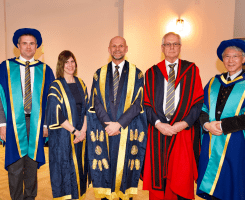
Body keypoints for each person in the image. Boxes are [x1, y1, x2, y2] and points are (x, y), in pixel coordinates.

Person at [0, 28, 55, 200]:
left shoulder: (45, 70)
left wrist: (46, 124)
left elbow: (51, 100)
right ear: (18, 46)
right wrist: (2, 125)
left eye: (31, 43)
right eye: (24, 43)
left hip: (37, 123)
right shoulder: (5, 67)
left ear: (37, 47)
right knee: (15, 166)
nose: (28, 47)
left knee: (32, 165)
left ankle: (30, 197)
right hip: (12, 123)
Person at [142, 32, 204, 200]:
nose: (171, 47)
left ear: (180, 47)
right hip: (158, 133)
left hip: (182, 132)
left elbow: (198, 102)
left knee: (181, 178)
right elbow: (146, 104)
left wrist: (182, 124)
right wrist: (158, 124)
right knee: (158, 179)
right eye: (168, 44)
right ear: (162, 48)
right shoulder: (151, 73)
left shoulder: (191, 70)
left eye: (175, 44)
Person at [87, 36, 147, 200]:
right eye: (114, 46)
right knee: (106, 168)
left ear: (126, 49)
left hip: (127, 129)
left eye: (121, 46)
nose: (117, 49)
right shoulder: (99, 74)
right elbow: (95, 101)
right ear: (109, 49)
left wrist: (119, 124)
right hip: (105, 129)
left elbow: (138, 103)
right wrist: (109, 124)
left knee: (124, 171)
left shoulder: (138, 74)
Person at [197, 39, 245, 200]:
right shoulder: (213, 82)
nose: (230, 60)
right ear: (222, 60)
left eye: (235, 56)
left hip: (236, 141)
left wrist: (224, 126)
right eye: (227, 56)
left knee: (233, 184)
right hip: (211, 139)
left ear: (243, 59)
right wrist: (207, 124)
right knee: (213, 189)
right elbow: (202, 108)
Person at [46, 50, 88, 199]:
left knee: (78, 169)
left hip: (80, 135)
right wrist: (75, 132)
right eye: (66, 62)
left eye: (72, 61)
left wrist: (83, 131)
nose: (70, 65)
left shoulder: (81, 83)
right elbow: (56, 114)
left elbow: (86, 109)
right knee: (64, 169)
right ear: (61, 65)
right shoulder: (55, 86)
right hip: (63, 136)